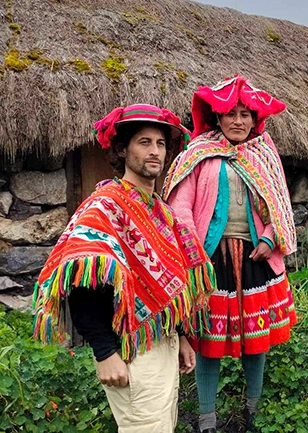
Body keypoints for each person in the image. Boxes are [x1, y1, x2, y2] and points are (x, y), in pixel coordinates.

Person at [32, 104, 216, 433]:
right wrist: (105, 352)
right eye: (144, 142)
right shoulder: (105, 207)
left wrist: (182, 336)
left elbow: (171, 283)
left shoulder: (161, 212)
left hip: (162, 343)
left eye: (160, 144)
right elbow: (80, 282)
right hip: (128, 350)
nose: (155, 151)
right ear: (122, 150)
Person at [162, 76, 297, 433]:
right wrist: (195, 254)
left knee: (256, 341)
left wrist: (269, 238)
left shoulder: (264, 154)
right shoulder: (198, 154)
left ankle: (254, 411)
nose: (238, 121)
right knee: (208, 340)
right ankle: (207, 417)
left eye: (244, 115)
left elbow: (280, 204)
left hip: (256, 258)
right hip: (211, 261)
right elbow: (181, 205)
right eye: (230, 114)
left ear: (255, 120)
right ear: (217, 118)